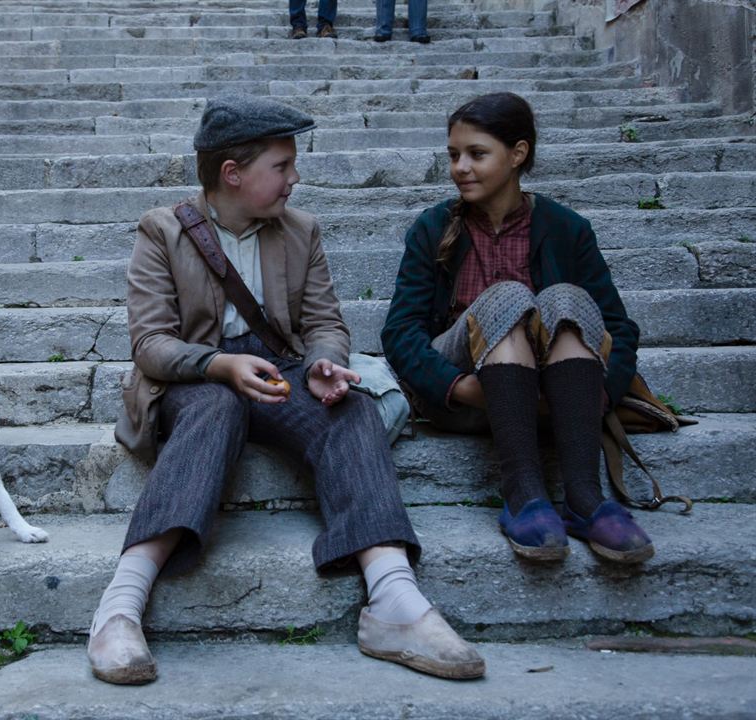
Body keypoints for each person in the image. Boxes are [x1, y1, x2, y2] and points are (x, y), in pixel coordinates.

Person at [87, 94, 485, 686]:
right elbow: (151, 345)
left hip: (279, 369)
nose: (294, 178)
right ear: (233, 173)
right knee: (217, 405)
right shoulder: (162, 231)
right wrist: (221, 365)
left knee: (350, 408)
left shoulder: (301, 231)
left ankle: (394, 602)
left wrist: (326, 363)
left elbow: (325, 322)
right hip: (195, 377)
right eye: (282, 166)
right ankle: (120, 605)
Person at [382, 92, 653, 566]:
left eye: (476, 154)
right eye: (453, 155)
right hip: (463, 385)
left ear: (518, 154)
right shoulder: (432, 227)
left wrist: (594, 394)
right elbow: (400, 331)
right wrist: (457, 387)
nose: (460, 167)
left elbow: (617, 327)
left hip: (554, 392)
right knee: (508, 297)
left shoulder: (567, 228)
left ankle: (585, 499)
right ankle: (523, 493)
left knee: (564, 299)